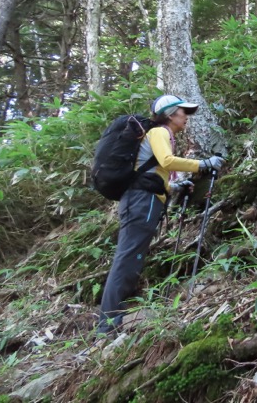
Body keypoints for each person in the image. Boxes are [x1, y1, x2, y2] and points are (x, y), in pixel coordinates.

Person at [97, 95, 224, 335]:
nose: (186, 117)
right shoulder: (160, 132)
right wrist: (204, 164)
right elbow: (166, 161)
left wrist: (174, 187)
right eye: (183, 112)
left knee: (130, 258)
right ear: (170, 114)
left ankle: (112, 320)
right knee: (127, 259)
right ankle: (107, 325)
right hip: (141, 202)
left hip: (141, 200)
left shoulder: (158, 134)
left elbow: (152, 170)